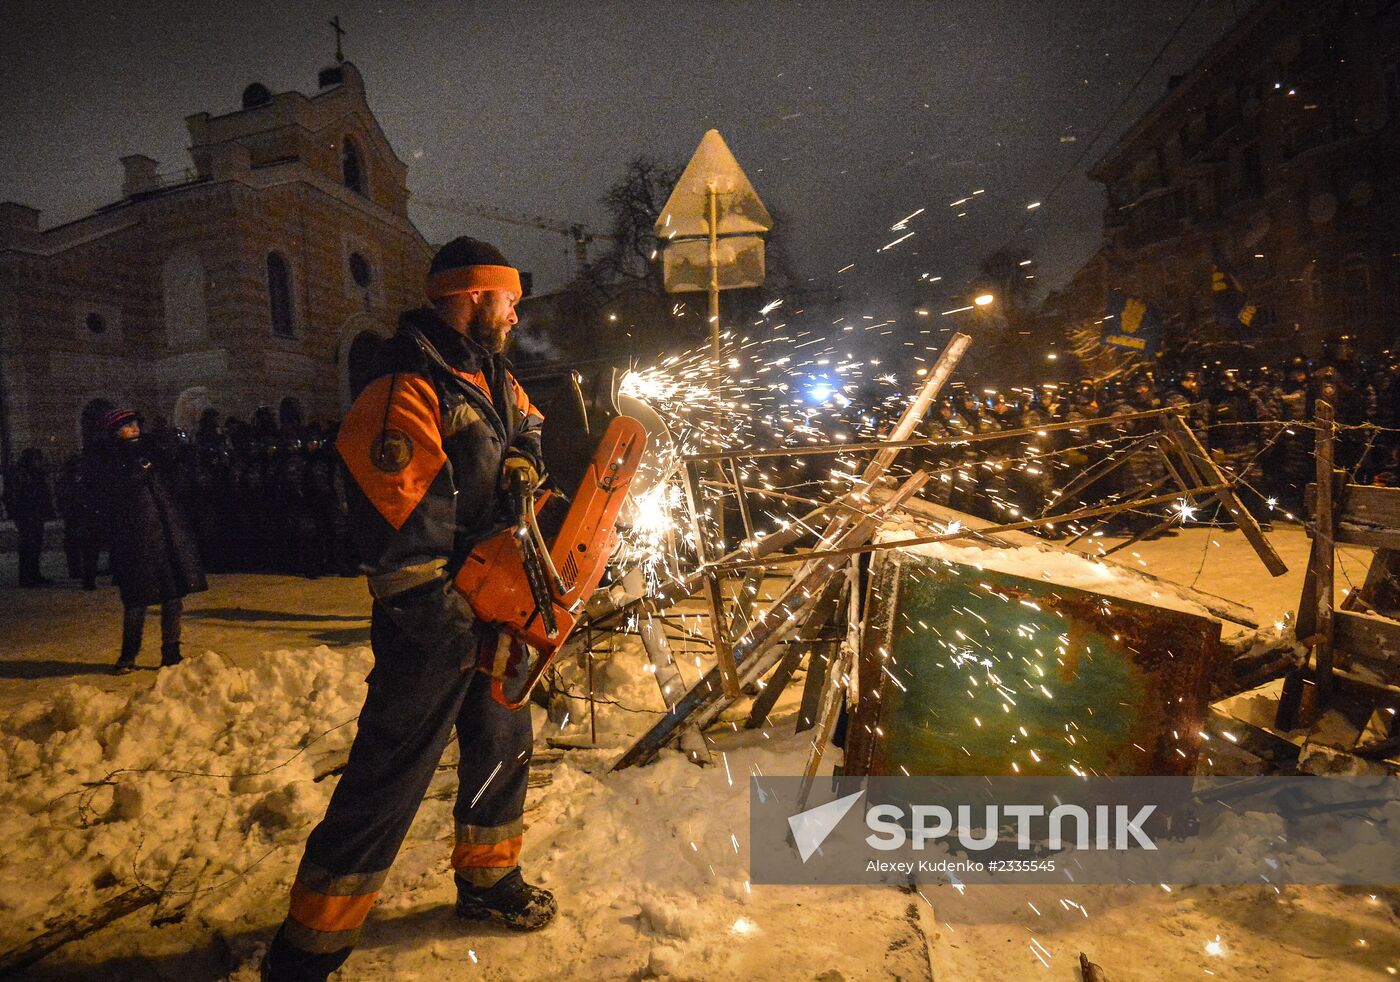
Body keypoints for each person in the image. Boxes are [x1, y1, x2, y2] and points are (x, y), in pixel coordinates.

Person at [262, 237, 554, 982]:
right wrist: (448, 619)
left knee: (501, 741)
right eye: (508, 298)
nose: (516, 311)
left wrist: (520, 458)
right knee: (390, 775)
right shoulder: (405, 384)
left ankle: (489, 881)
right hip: (432, 618)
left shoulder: (487, 370)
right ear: (470, 295)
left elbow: (529, 424)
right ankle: (310, 945)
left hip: (494, 600)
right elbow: (404, 538)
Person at [99, 409, 208, 673]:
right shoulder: (109, 459)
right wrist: (140, 470)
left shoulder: (150, 453)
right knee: (136, 601)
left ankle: (171, 652)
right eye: (127, 426)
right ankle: (128, 656)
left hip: (164, 538)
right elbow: (114, 495)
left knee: (172, 598)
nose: (134, 429)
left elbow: (173, 480)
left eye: (136, 424)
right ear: (115, 432)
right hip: (134, 543)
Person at [5, 447, 55, 587]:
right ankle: (27, 577)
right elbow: (17, 496)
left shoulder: (34, 474)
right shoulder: (22, 474)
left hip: (34, 514)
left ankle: (34, 574)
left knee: (35, 546)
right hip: (27, 515)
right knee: (28, 546)